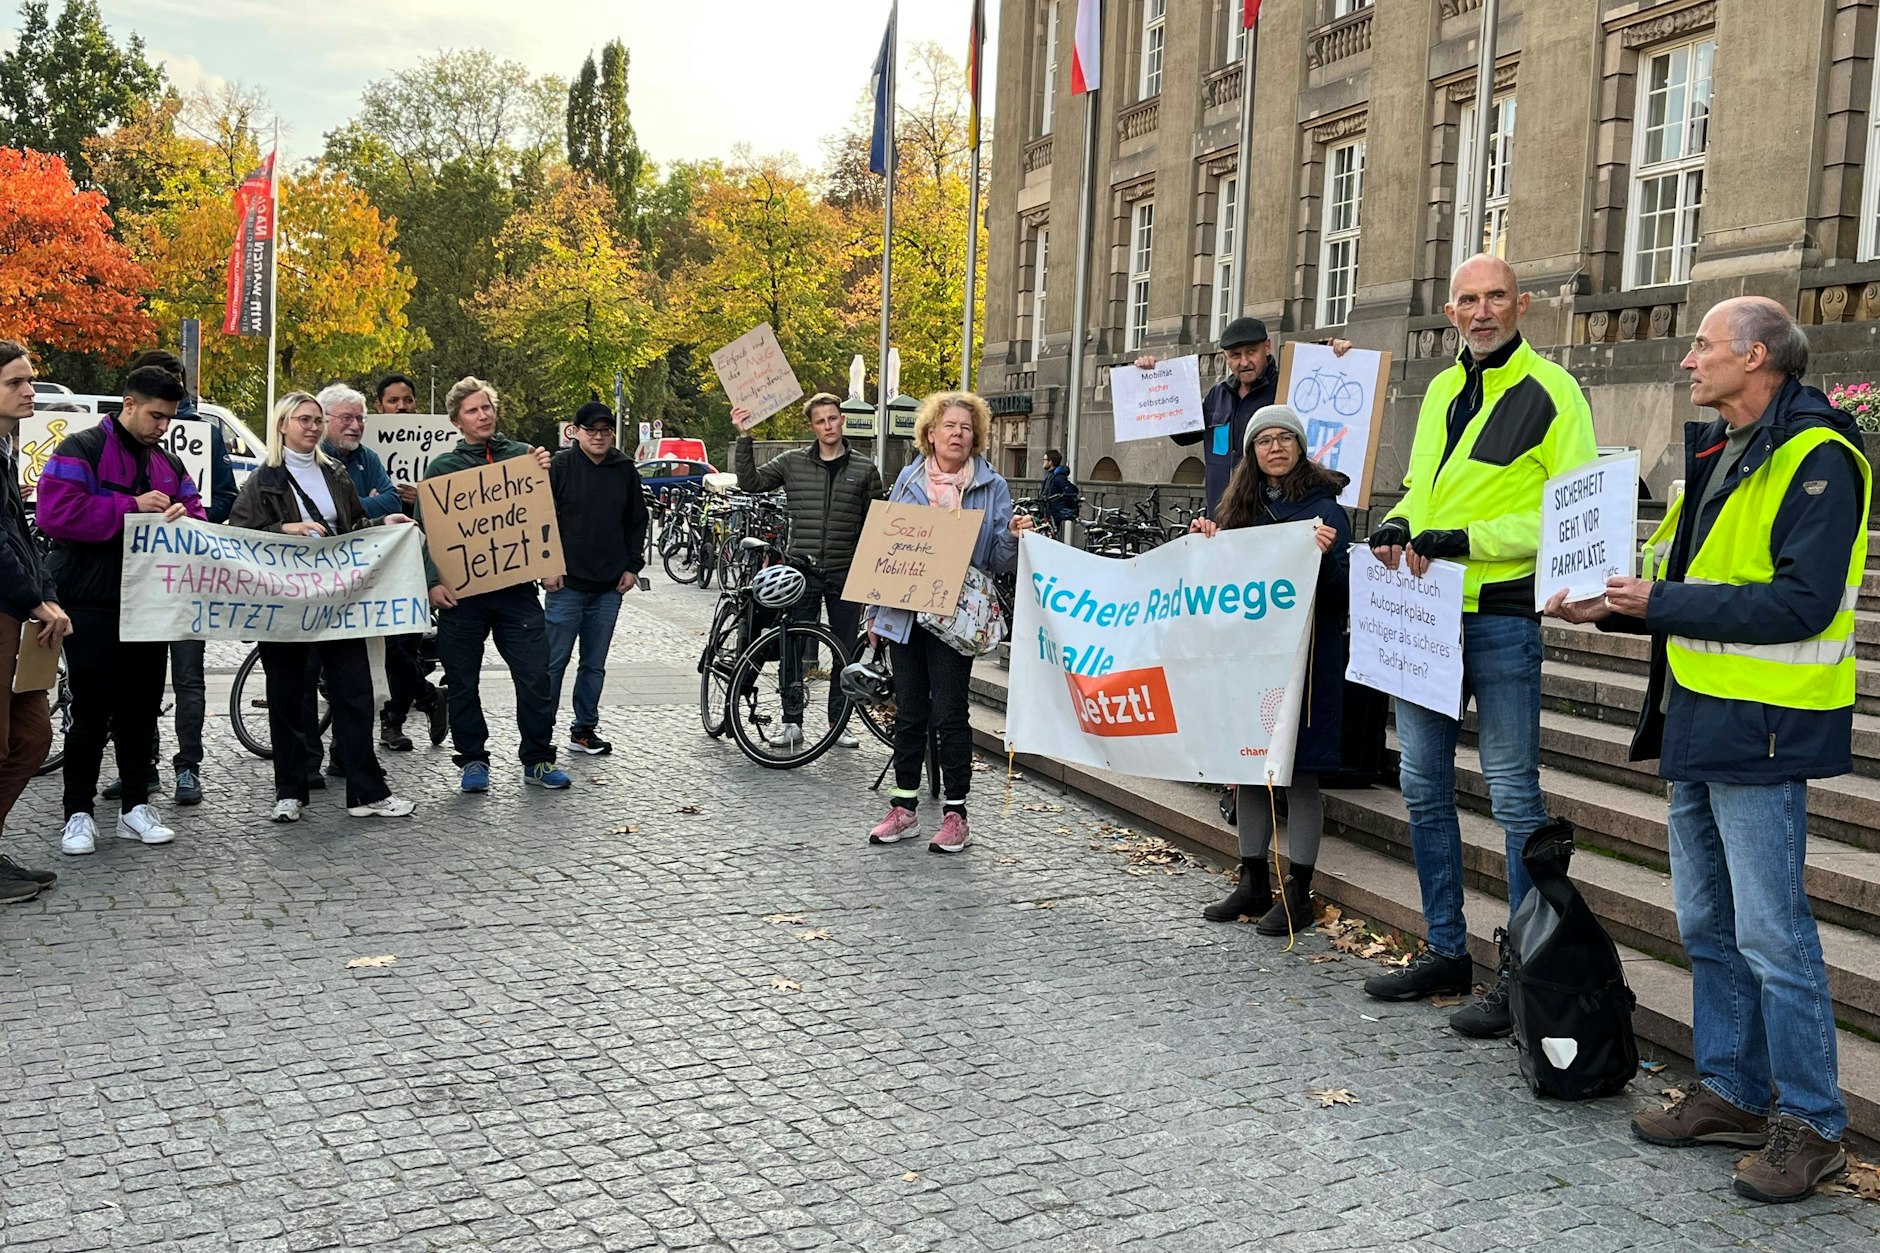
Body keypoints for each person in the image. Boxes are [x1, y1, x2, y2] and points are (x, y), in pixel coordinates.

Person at [1550, 297, 1861, 1203]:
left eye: (1703, 346)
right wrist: (1597, 597)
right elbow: (1668, 577)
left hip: (1764, 726)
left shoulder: (1820, 459)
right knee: (1706, 925)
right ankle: (1731, 1087)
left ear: (1755, 356)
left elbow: (1800, 604)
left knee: (1774, 932)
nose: (1688, 360)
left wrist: (1661, 604)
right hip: (1699, 716)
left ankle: (1812, 1125)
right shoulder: (1718, 451)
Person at [1359, 254, 1597, 1037]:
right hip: (1424, 613)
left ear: (1521, 303)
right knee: (1423, 786)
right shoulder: (1439, 388)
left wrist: (1469, 536)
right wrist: (1400, 519)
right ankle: (1447, 948)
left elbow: (1573, 518)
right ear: (1451, 309)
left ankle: (1527, 973)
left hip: (1499, 614)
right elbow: (1428, 484)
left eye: (1496, 296)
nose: (1482, 309)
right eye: (1468, 298)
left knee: (1513, 796)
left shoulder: (1554, 391)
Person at [1188, 405, 1349, 933]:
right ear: (1252, 452)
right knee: (1248, 767)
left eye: (1285, 438)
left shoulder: (1326, 510)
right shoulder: (1237, 510)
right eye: (1264, 440)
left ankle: (1298, 892)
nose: (1275, 447)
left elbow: (1340, 592)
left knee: (1299, 773)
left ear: (1301, 447)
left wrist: (1324, 560)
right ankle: (1253, 882)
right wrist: (1205, 543)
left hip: (1306, 664)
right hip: (1250, 663)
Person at [36, 365, 205, 855]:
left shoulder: (168, 463)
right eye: (155, 416)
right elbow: (56, 515)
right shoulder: (80, 449)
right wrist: (131, 506)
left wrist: (181, 516)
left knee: (140, 710)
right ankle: (78, 813)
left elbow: (197, 514)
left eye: (169, 419)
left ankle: (136, 806)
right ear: (128, 404)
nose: (162, 427)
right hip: (90, 600)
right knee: (88, 713)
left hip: (148, 602)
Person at [230, 393, 418, 822]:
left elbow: (350, 528)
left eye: (317, 420)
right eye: (303, 420)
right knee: (289, 698)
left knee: (355, 693)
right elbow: (240, 535)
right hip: (286, 605)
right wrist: (284, 528)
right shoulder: (262, 481)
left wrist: (381, 523)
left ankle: (366, 791)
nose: (312, 427)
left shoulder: (334, 472)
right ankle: (290, 791)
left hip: (337, 603)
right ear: (282, 425)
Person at [863, 392, 1029, 854]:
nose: (958, 433)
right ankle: (905, 809)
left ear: (976, 438)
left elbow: (997, 558)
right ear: (930, 433)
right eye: (949, 426)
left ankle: (957, 814)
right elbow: (886, 549)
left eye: (966, 427)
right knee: (910, 710)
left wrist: (1014, 538)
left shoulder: (991, 486)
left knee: (950, 713)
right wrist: (874, 613)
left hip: (956, 617)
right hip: (905, 611)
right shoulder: (909, 478)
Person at [418, 377, 569, 793]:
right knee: (462, 681)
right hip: (462, 597)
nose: (482, 415)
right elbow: (427, 533)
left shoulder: (524, 457)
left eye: (487, 407)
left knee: (536, 676)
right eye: (472, 410)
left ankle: (538, 759)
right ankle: (472, 761)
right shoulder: (442, 471)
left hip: (516, 592)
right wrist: (432, 584)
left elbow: (545, 513)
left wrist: (550, 562)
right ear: (456, 420)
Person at [99, 349, 236, 808]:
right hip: (136, 583)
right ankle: (142, 768)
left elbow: (219, 499)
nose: (164, 422)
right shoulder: (106, 447)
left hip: (182, 577)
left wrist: (190, 521)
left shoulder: (200, 441)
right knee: (137, 684)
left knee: (189, 677)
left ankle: (188, 767)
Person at [732, 392, 886, 749]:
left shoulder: (864, 469)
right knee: (793, 646)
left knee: (845, 650)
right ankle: (791, 721)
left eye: (833, 418)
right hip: (801, 570)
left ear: (841, 420)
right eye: (821, 421)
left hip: (846, 570)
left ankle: (839, 721)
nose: (828, 425)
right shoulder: (792, 463)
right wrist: (744, 436)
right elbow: (750, 482)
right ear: (812, 426)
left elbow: (878, 524)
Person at [318, 382, 443, 753]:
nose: (355, 425)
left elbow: (388, 498)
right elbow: (330, 512)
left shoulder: (367, 458)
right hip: (326, 576)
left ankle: (365, 739)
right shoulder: (316, 457)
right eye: (346, 418)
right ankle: (426, 697)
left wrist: (357, 508)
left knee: (387, 646)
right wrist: (362, 505)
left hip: (375, 572)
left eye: (360, 418)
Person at [1137, 320, 1350, 516]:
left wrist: (1338, 358)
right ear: (1225, 357)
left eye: (1251, 352)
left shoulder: (1291, 390)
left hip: (1272, 517)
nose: (1244, 361)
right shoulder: (1218, 395)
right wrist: (1154, 381)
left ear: (1267, 347)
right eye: (1235, 355)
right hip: (1222, 516)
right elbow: (1183, 435)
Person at [0, 341, 72, 901]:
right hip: (4, 615)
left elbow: (22, 534)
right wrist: (33, 597)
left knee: (31, 738)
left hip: (18, 616)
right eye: (15, 383)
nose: (30, 391)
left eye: (28, 380)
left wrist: (45, 591)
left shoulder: (8, 446)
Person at [546, 402, 648, 755]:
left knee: (594, 664)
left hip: (608, 586)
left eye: (606, 430)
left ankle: (584, 729)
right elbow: (542, 518)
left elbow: (638, 519)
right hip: (566, 584)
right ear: (575, 432)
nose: (600, 436)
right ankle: (540, 732)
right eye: (592, 430)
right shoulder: (560, 467)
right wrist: (547, 564)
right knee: (553, 663)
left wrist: (632, 566)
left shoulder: (624, 468)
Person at [1039, 448, 1078, 539]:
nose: (1043, 462)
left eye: (1045, 460)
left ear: (1050, 462)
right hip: (1046, 511)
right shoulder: (1049, 475)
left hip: (1053, 513)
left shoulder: (1058, 477)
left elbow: (1071, 493)